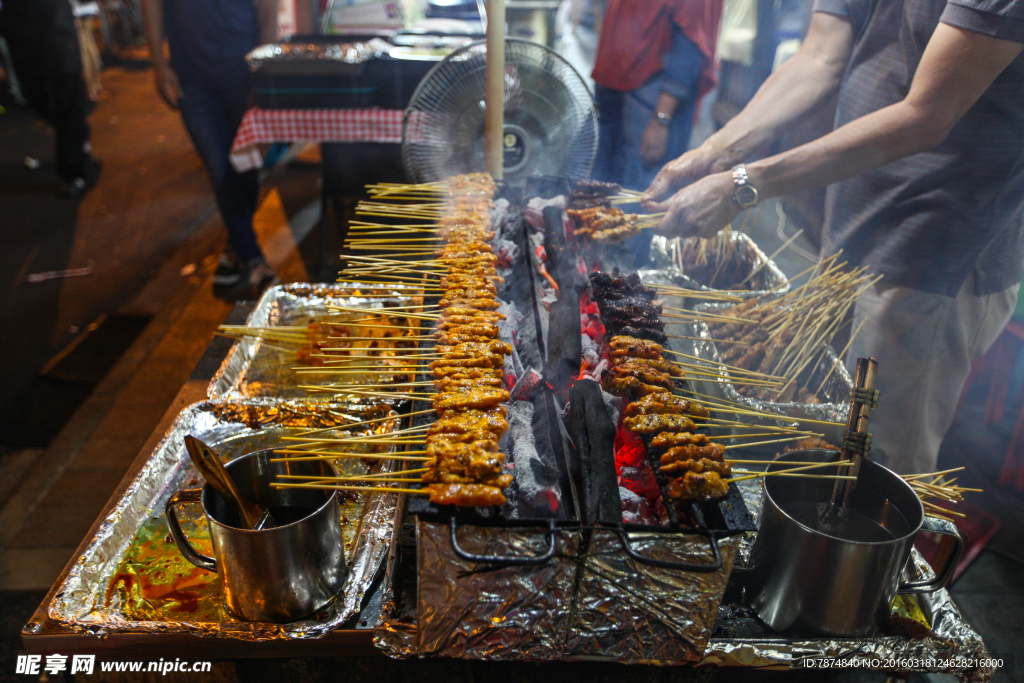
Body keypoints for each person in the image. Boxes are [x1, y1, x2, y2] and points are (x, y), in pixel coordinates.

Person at [643, 0, 1024, 474]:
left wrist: (743, 185)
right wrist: (717, 150)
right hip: (850, 224)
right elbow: (820, 55)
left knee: (875, 467)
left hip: (930, 253)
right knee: (817, 444)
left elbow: (928, 114)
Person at [141, 0, 279, 293]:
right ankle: (253, 258)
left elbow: (268, 9)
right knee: (220, 168)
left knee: (246, 164)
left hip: (244, 75)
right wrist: (159, 64)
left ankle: (235, 249)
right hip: (193, 81)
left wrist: (263, 69)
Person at [589, 0, 723, 266]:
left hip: (650, 100)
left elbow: (690, 43)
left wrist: (661, 120)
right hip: (617, 88)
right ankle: (591, 269)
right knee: (605, 192)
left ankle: (626, 280)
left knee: (640, 200)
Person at [2, 0, 101, 196]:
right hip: (22, 35)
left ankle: (73, 173)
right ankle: (77, 134)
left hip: (57, 30)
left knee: (68, 98)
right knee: (35, 97)